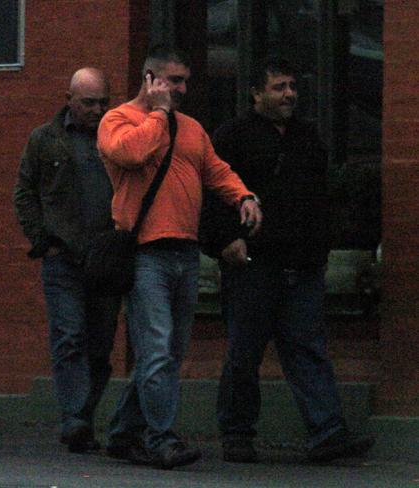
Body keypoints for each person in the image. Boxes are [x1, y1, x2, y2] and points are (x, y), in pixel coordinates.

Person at [97, 45, 262, 470]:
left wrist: (242, 195)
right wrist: (158, 114)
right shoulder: (118, 120)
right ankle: (161, 438)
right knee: (155, 351)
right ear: (150, 80)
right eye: (173, 80)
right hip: (145, 253)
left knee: (169, 350)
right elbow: (130, 154)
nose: (182, 89)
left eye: (184, 81)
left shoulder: (191, 128)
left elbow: (215, 170)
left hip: (186, 252)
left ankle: (122, 433)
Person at [203, 57, 375, 463]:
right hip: (253, 264)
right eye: (279, 87)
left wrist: (322, 248)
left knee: (307, 349)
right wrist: (225, 241)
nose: (289, 94)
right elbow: (210, 194)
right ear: (256, 93)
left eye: (293, 86)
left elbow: (321, 198)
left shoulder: (307, 137)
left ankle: (327, 431)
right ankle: (237, 433)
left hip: (302, 263)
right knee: (245, 352)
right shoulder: (233, 137)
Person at [13, 68, 121, 453]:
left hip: (106, 259)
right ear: (69, 99)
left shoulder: (115, 140)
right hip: (63, 258)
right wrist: (43, 240)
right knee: (69, 337)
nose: (97, 110)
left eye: (103, 102)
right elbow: (25, 192)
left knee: (100, 347)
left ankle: (84, 418)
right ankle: (75, 419)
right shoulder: (45, 140)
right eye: (89, 102)